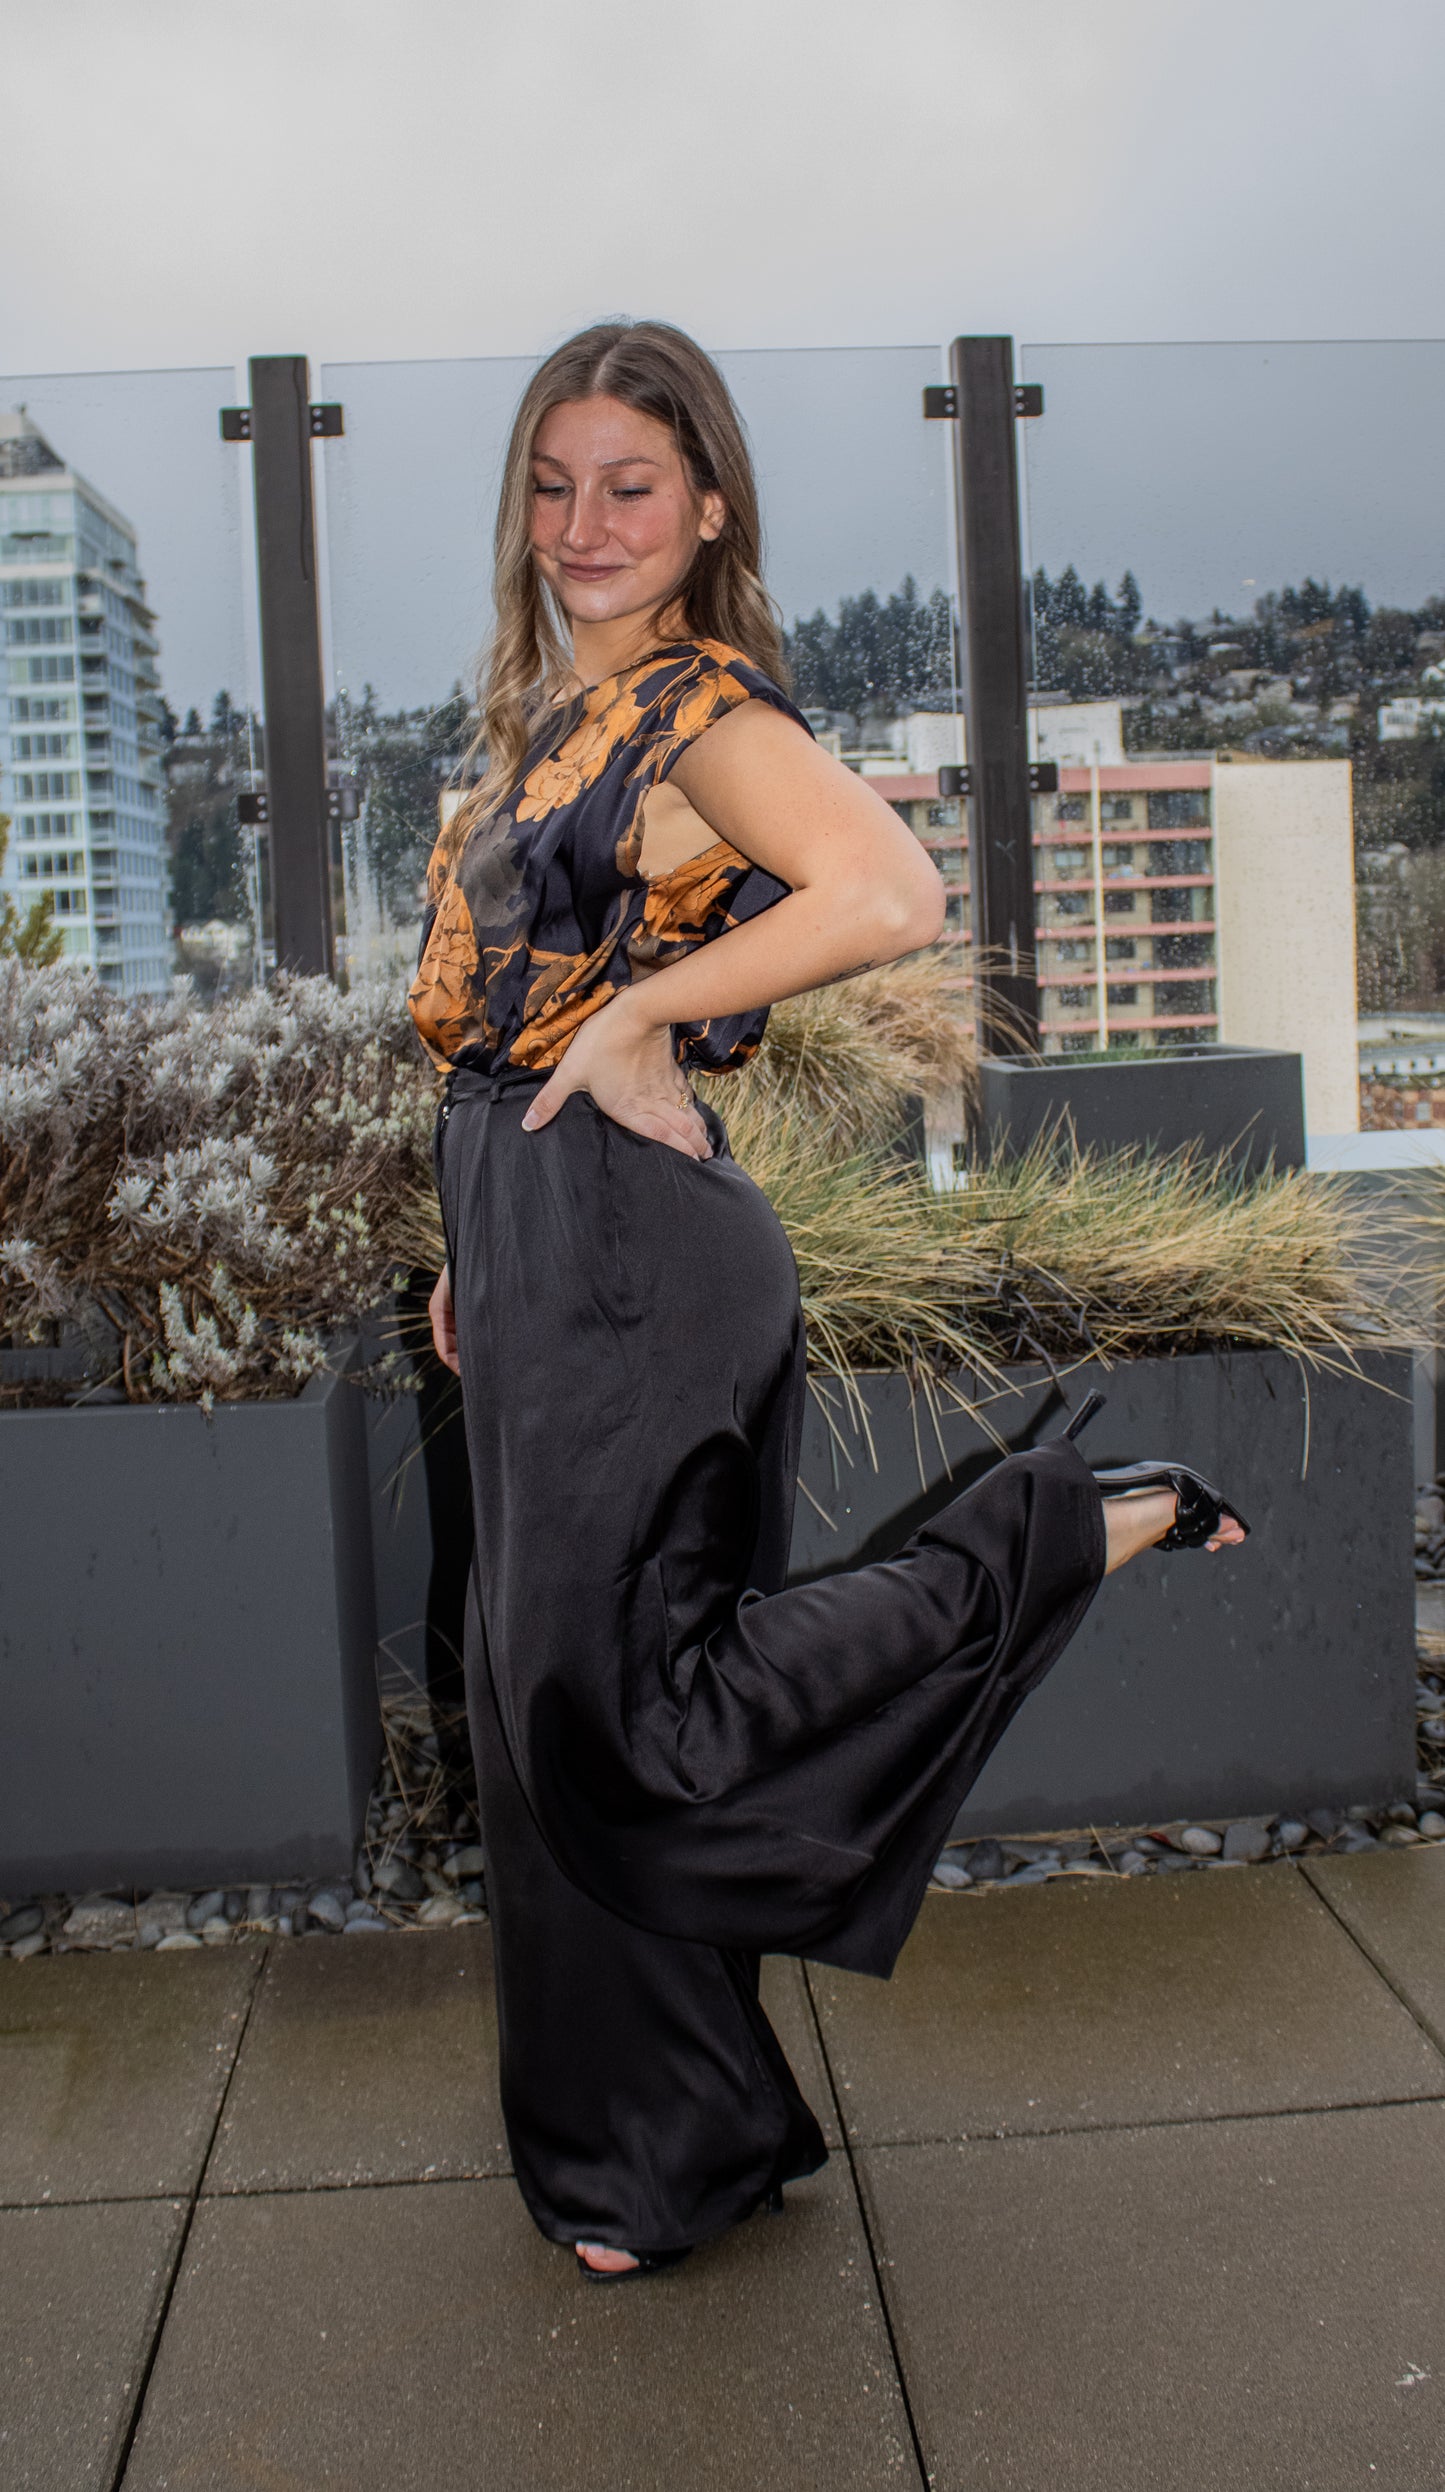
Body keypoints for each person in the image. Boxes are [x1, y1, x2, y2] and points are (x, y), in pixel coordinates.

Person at [415, 320, 1246, 2280]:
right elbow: (492, 1028)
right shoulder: (558, 712)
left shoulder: (700, 710)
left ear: (708, 505)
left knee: (630, 1716)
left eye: (630, 483)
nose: (583, 520)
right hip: (545, 1239)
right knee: (535, 1710)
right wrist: (474, 1240)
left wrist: (644, 1011)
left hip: (634, 1254)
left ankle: (1063, 1520)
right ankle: (673, 2128)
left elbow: (886, 889)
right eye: (553, 481)